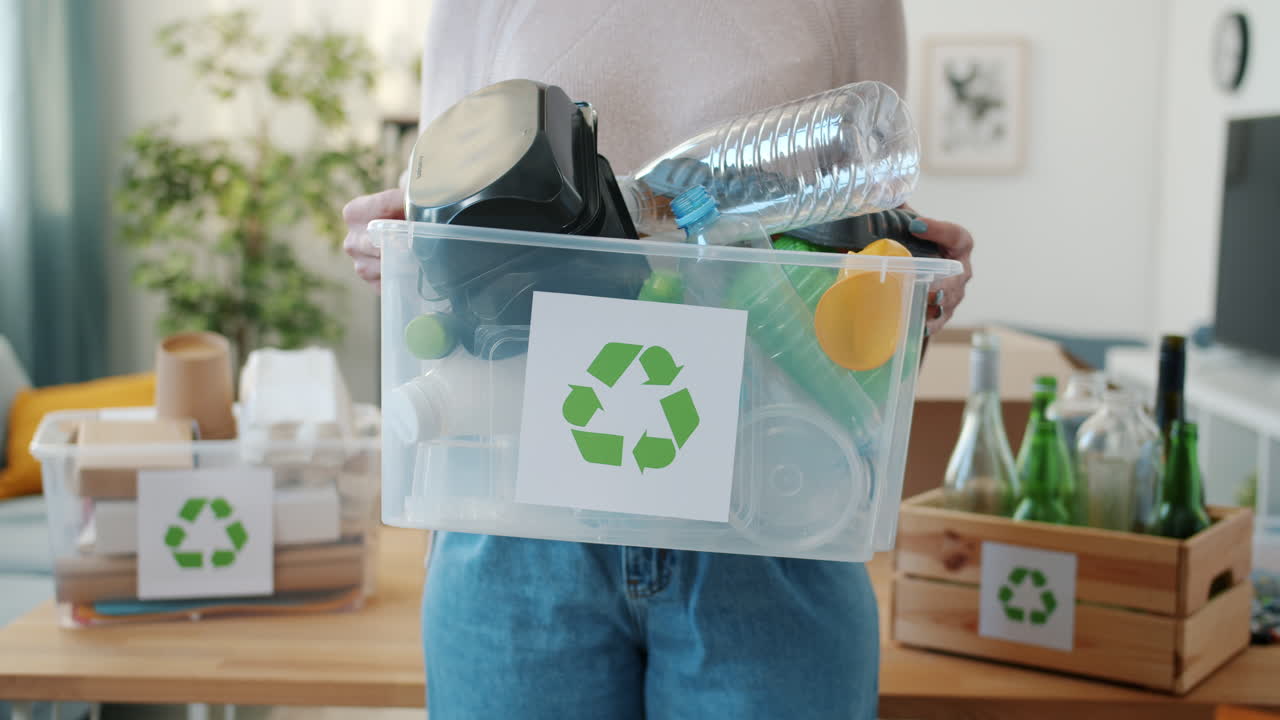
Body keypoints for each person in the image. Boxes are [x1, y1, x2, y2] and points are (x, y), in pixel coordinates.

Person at [343, 2, 974, 717]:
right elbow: (443, 250)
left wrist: (914, 294)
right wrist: (394, 248)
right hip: (519, 517)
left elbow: (860, 244)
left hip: (772, 508)